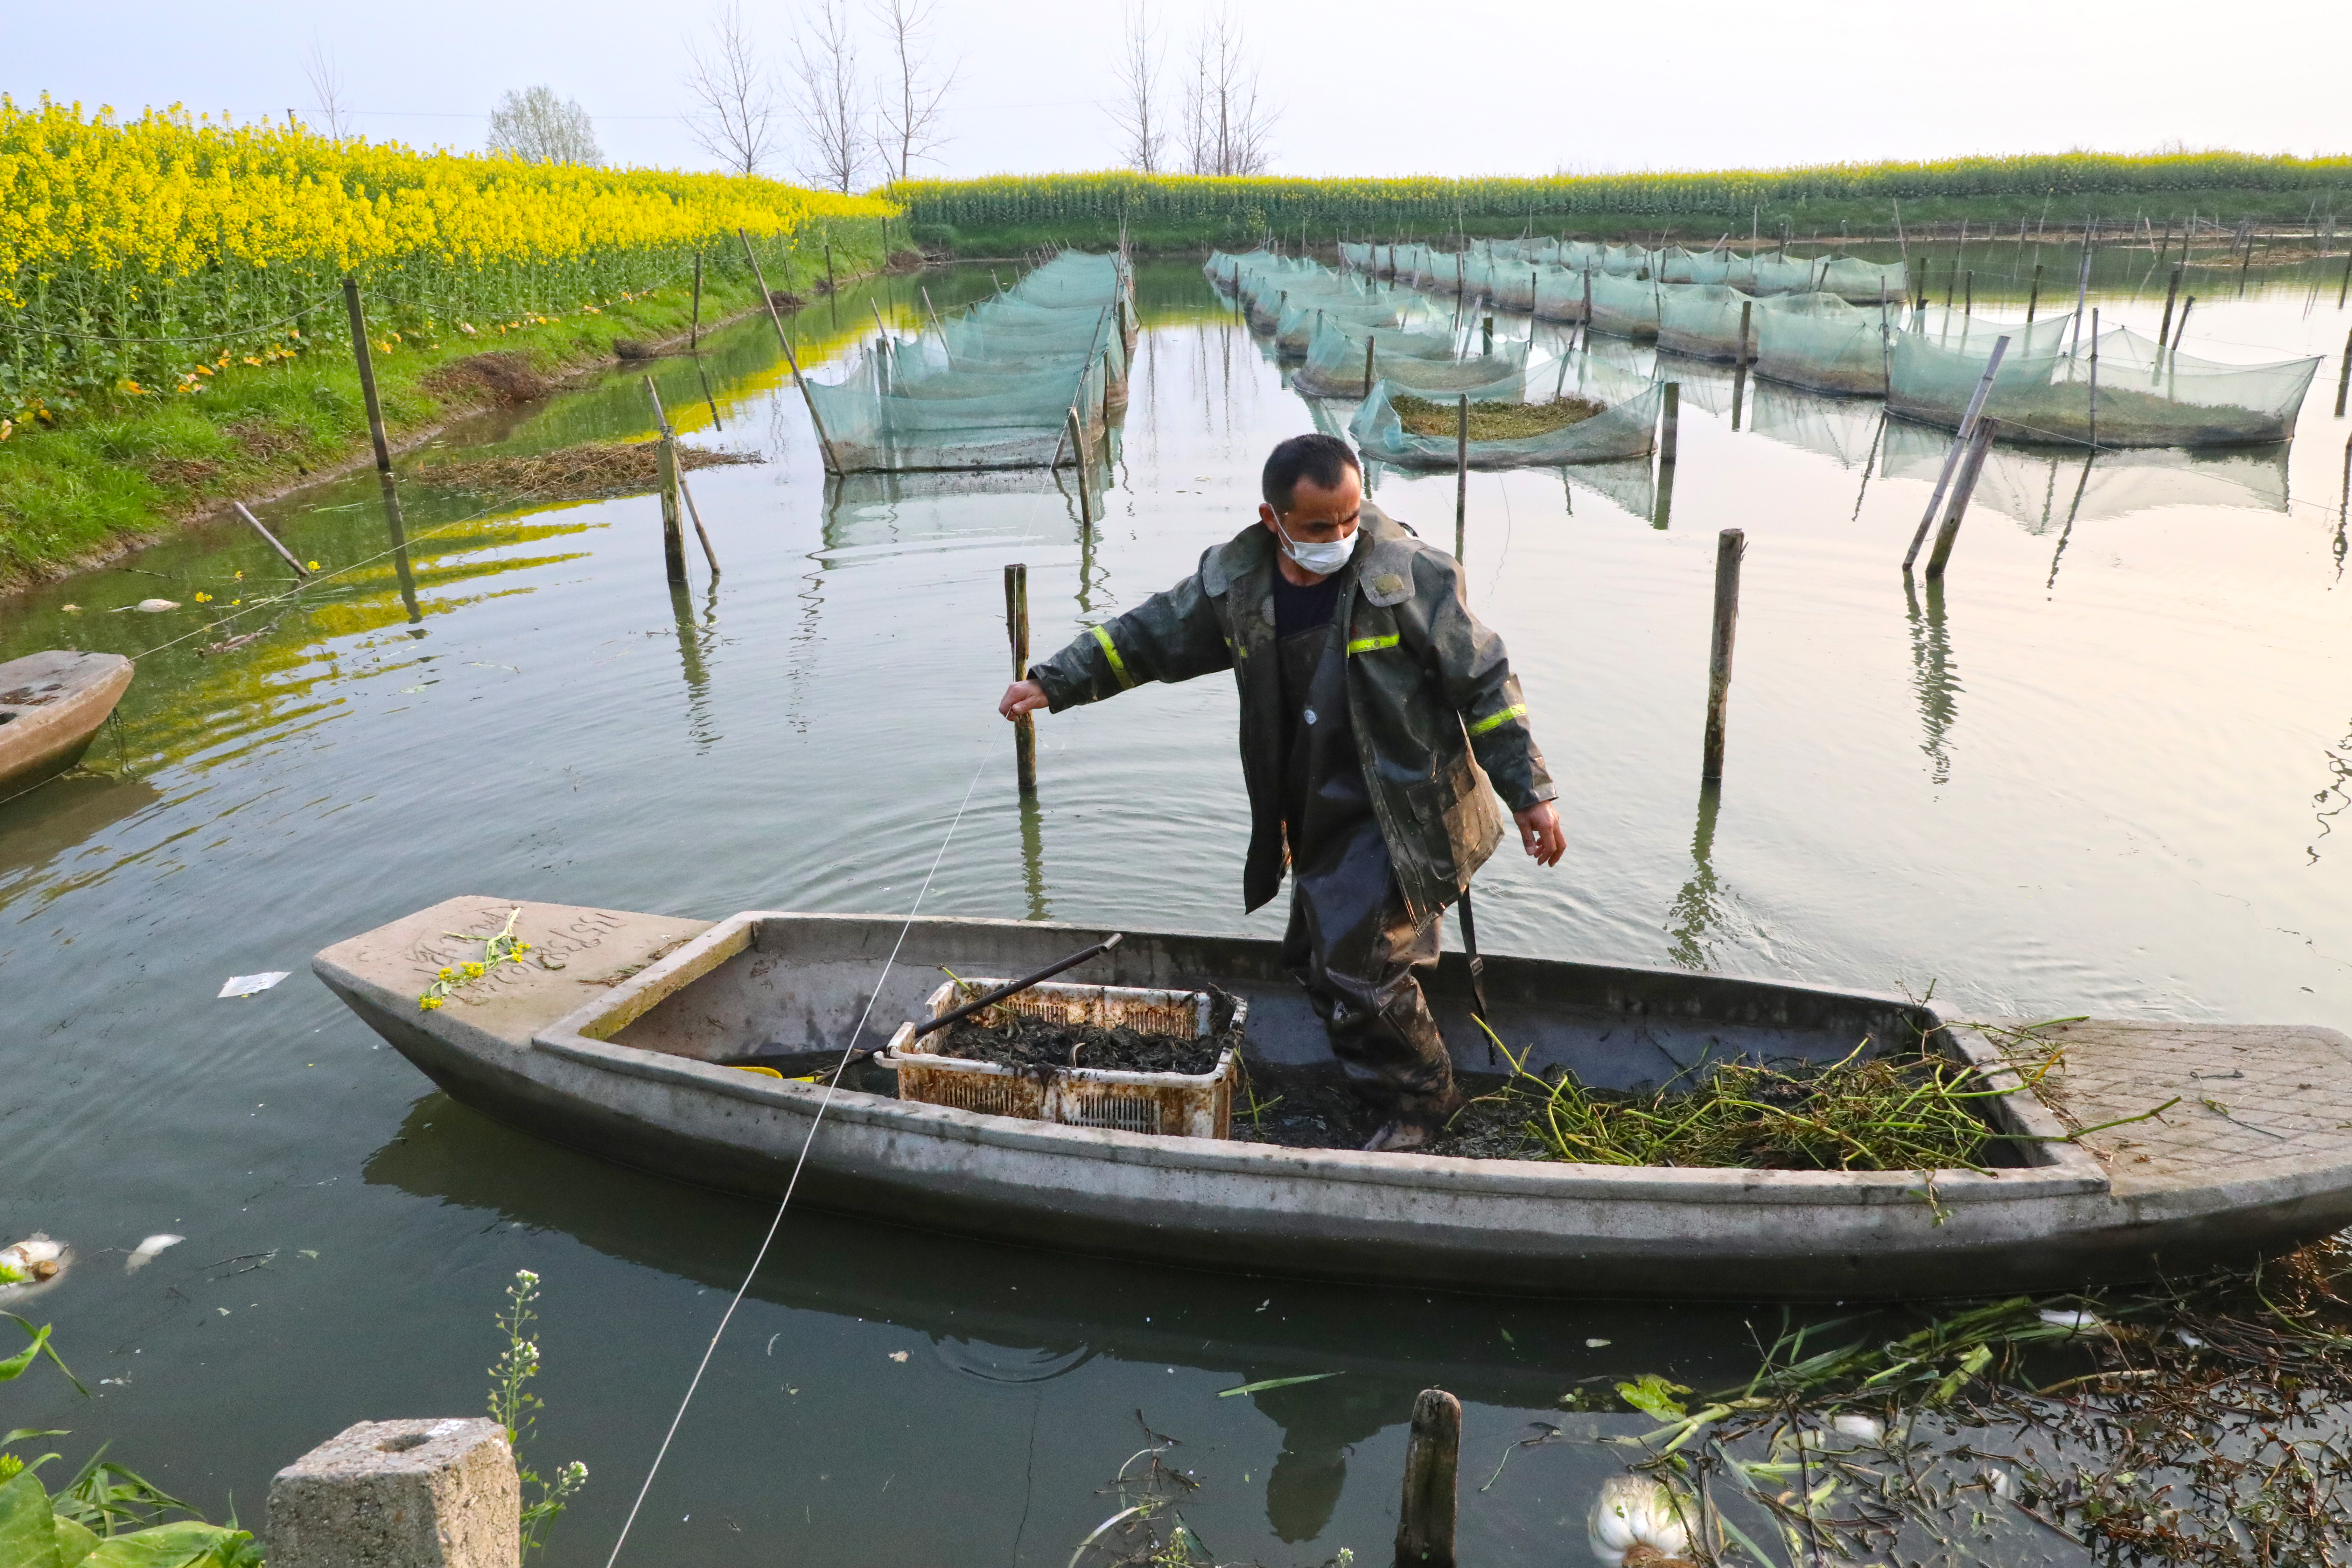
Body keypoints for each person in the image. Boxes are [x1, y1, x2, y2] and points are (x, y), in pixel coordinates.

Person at [998, 433, 1563, 1150]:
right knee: (1312, 957)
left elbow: (1487, 684)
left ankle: (1424, 1104)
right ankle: (1379, 1077)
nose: (1340, 538)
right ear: (1275, 520)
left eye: (1351, 519)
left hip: (1407, 808)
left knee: (1360, 968)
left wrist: (1531, 794)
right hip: (1317, 801)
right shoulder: (1237, 584)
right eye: (1319, 527)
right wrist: (1055, 681)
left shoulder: (1412, 576)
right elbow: (1147, 637)